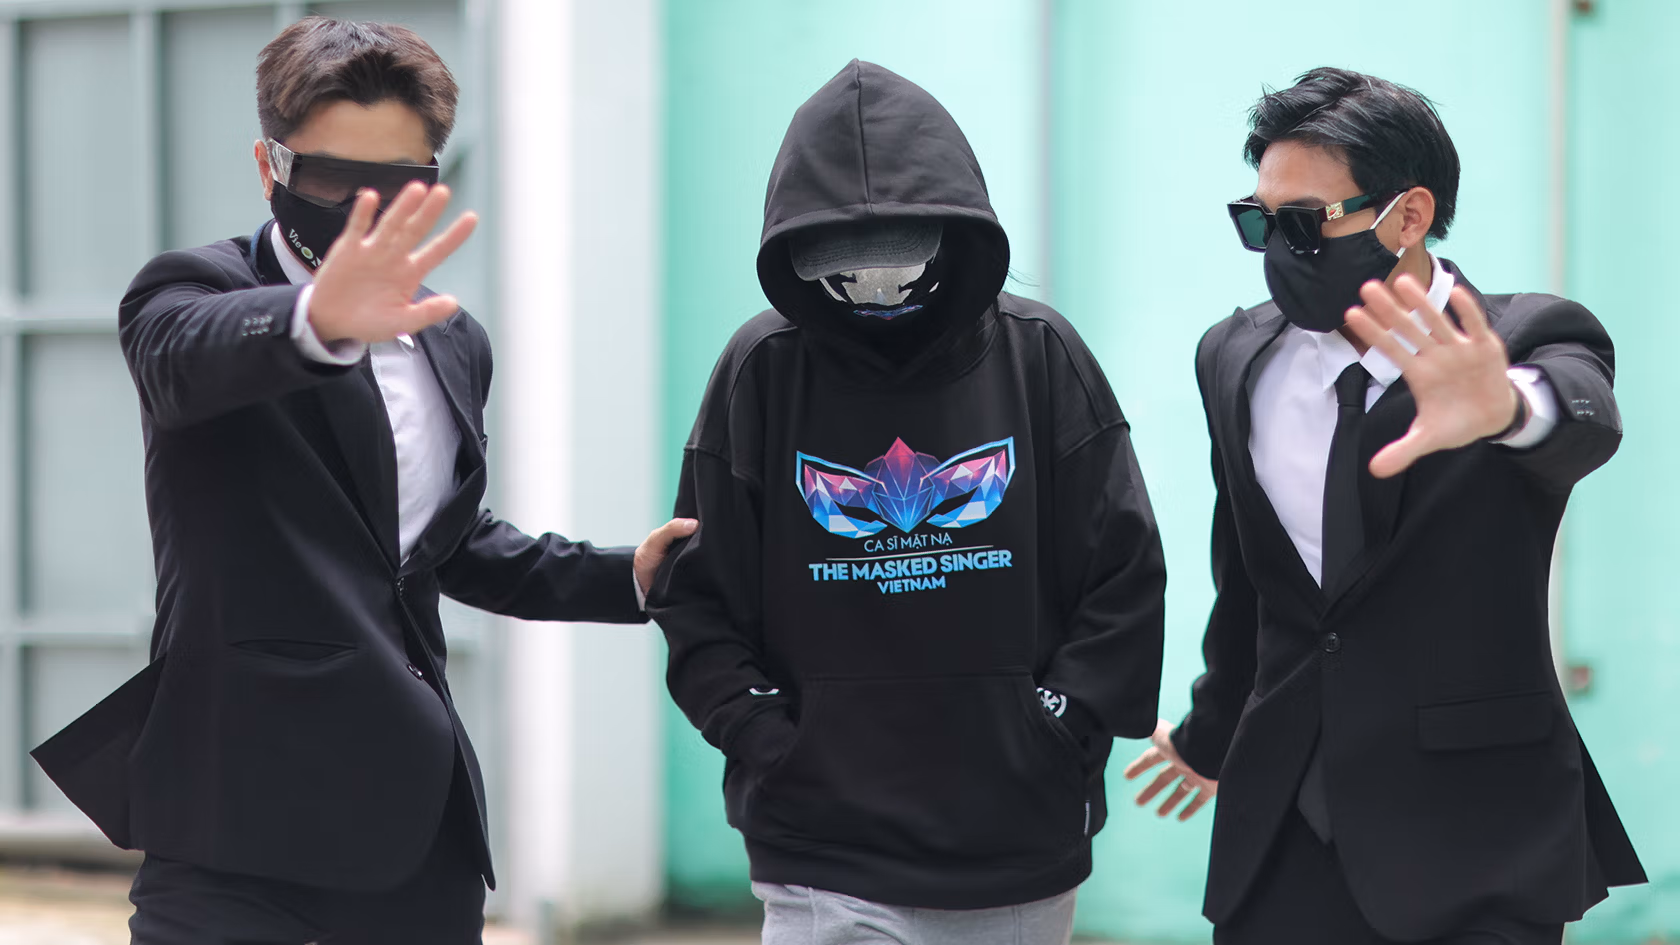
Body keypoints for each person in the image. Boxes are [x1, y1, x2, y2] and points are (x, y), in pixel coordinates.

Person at [29, 17, 693, 945]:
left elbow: (434, 545)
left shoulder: (453, 340)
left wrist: (626, 577)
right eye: (333, 182)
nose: (361, 212)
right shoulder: (194, 292)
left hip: (410, 819)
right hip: (232, 814)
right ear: (268, 167)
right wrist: (316, 318)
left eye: (395, 187)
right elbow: (182, 362)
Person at [648, 60, 1166, 945]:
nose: (877, 290)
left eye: (900, 263)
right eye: (845, 270)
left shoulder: (1042, 356)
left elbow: (1123, 573)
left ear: (953, 240)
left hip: (1017, 844)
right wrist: (766, 736)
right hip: (822, 850)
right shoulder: (761, 370)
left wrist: (1060, 723)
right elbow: (698, 592)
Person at [1123, 67, 1645, 944]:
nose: (1279, 248)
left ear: (1407, 217)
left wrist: (1507, 409)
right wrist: (1212, 728)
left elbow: (1584, 420)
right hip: (1283, 818)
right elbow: (1250, 576)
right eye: (1259, 223)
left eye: (1304, 223)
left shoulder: (1523, 338)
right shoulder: (1233, 357)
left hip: (1477, 829)